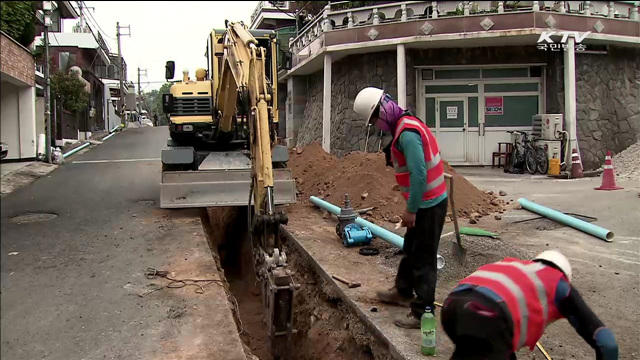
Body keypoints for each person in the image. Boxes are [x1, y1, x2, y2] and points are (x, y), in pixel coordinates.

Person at [353, 87, 448, 329]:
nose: (376, 125)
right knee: (410, 248)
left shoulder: (406, 133)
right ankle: (403, 291)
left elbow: (419, 175)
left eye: (375, 119)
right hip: (425, 202)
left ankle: (422, 313)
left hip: (430, 205)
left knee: (424, 259)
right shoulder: (404, 124)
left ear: (382, 111)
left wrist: (411, 210)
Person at [440, 250, 619, 360]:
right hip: (489, 316)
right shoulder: (559, 284)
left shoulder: (512, 265)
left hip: (451, 308)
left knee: (477, 352)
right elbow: (607, 343)